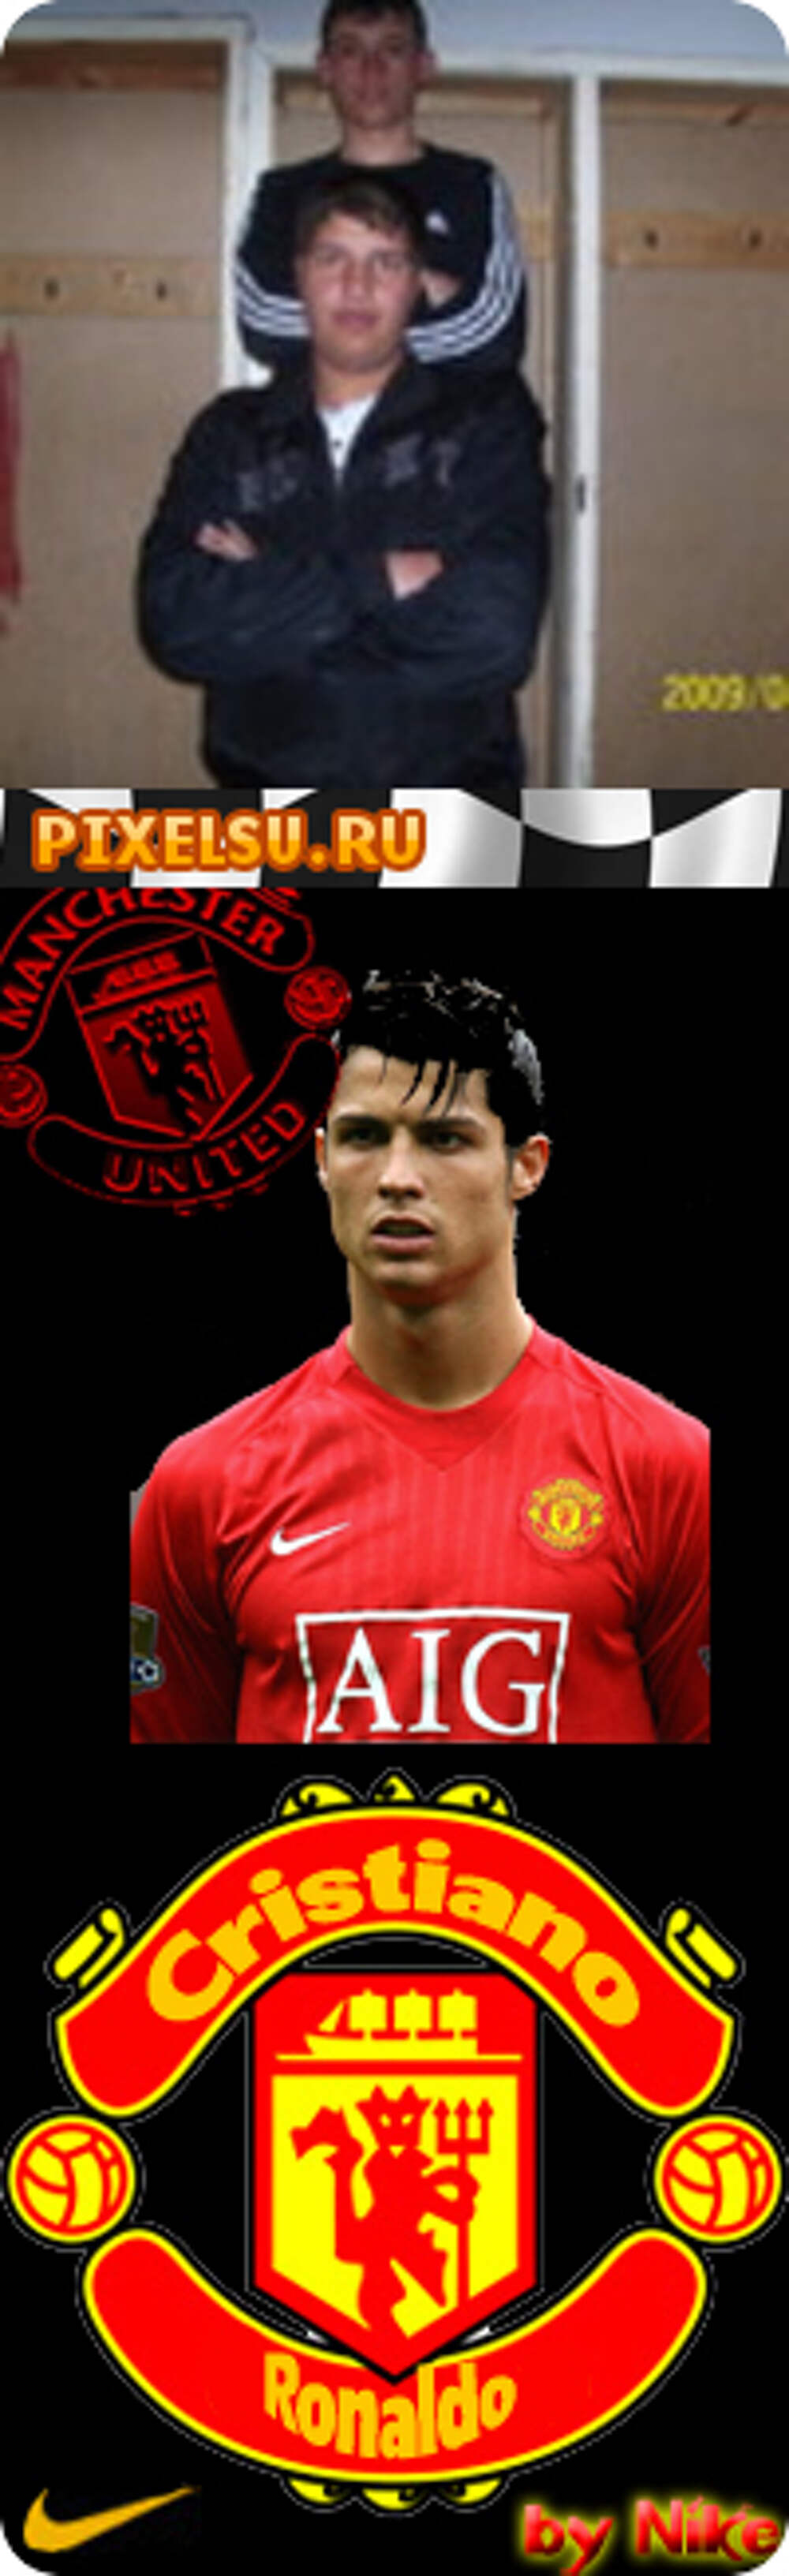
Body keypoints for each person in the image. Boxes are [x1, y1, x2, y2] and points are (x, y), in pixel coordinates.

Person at [131, 970, 709, 1747]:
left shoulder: (670, 1471)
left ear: (527, 1164)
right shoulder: (202, 1484)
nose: (398, 1179)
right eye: (364, 1136)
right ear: (322, 1159)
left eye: (445, 1139)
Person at [138, 175, 549, 809]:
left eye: (386, 262)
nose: (358, 286)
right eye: (333, 258)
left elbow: (497, 632)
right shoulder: (230, 432)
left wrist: (273, 587)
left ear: (416, 285)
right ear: (299, 276)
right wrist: (384, 580)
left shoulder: (487, 419)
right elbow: (176, 624)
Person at [236, 0, 526, 379]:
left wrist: (337, 311)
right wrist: (423, 289)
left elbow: (495, 340)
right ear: (325, 69)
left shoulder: (474, 185)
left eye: (392, 49)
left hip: (453, 417)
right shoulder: (282, 192)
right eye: (351, 50)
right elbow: (265, 329)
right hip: (322, 417)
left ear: (423, 66)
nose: (372, 69)